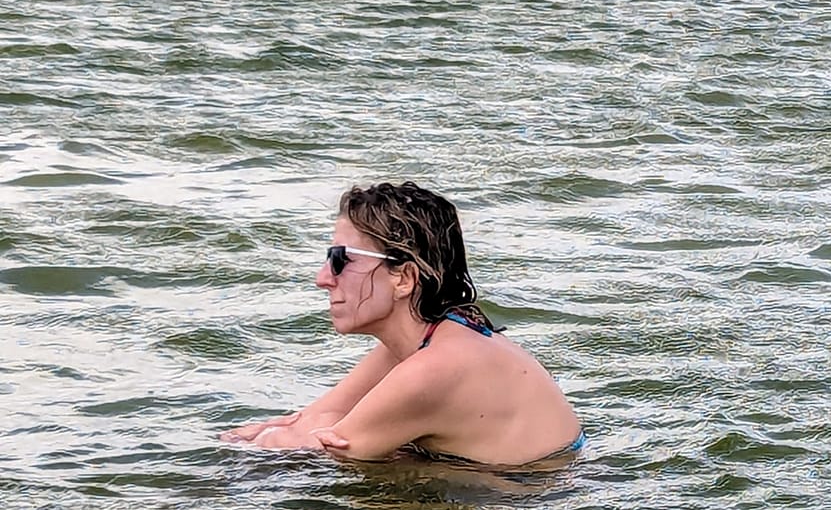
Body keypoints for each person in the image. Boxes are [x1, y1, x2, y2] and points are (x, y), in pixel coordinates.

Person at [222, 182, 584, 466]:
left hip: (534, 501)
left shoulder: (433, 370)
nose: (323, 278)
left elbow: (327, 450)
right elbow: (314, 418)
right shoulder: (427, 339)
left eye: (341, 260)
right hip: (522, 481)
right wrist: (265, 437)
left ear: (404, 278)